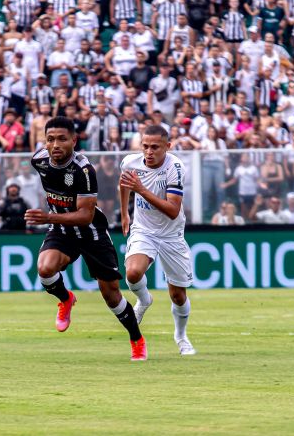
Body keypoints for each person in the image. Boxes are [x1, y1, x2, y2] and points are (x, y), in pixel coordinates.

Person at [26, 116, 146, 360]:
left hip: (91, 232)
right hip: (61, 230)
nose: (55, 144)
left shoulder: (84, 170)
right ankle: (66, 299)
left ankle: (137, 338)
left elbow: (84, 215)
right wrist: (52, 218)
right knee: (44, 269)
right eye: (50, 139)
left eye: (62, 139)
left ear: (74, 140)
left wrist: (48, 218)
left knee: (111, 294)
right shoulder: (39, 160)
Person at [119, 125, 196, 356]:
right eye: (145, 146)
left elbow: (173, 210)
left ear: (167, 147)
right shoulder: (130, 162)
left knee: (177, 295)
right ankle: (144, 300)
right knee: (132, 273)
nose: (149, 152)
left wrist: (141, 190)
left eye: (155, 147)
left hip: (172, 235)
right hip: (144, 230)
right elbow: (123, 184)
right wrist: (125, 213)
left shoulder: (176, 167)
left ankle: (181, 336)